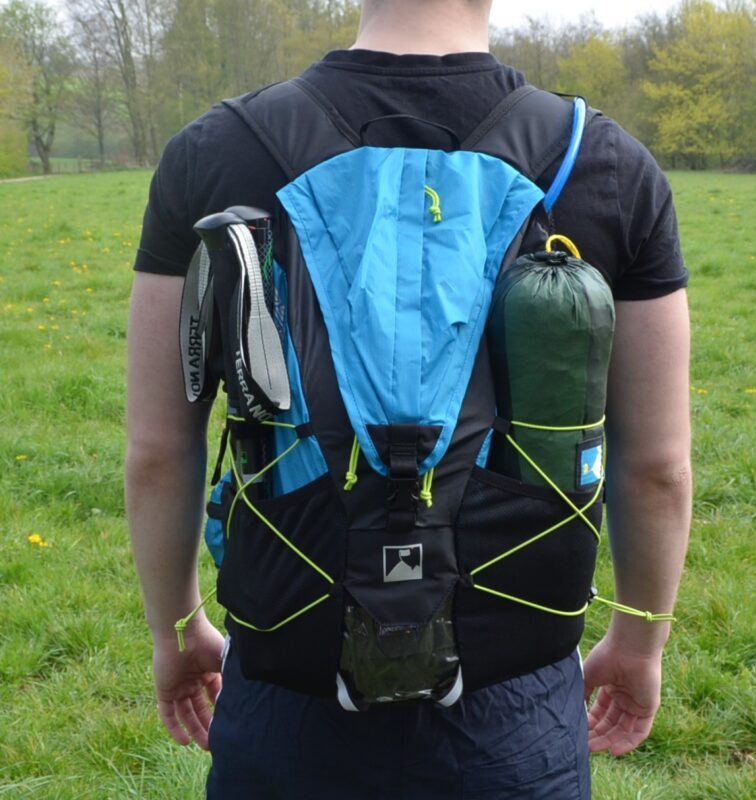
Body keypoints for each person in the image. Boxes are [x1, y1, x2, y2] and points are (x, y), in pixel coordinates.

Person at [125, 0, 692, 796]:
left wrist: (177, 629)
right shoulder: (603, 161)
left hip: (289, 691)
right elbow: (657, 466)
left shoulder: (216, 151)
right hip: (513, 707)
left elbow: (158, 451)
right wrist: (639, 640)